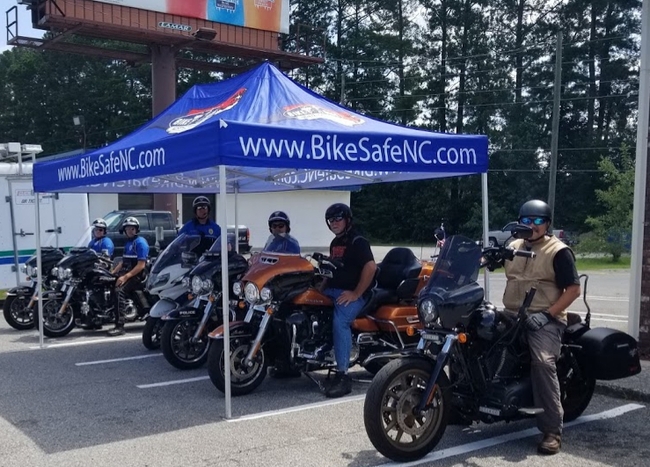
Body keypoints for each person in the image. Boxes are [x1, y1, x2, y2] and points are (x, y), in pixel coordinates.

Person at [502, 199, 581, 455]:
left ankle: (551, 430)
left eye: (538, 221)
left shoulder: (558, 251)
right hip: (512, 314)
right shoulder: (513, 246)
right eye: (526, 220)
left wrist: (547, 315)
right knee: (471, 337)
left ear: (547, 224)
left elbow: (573, 290)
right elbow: (486, 260)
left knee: (543, 362)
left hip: (545, 318)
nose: (532, 225)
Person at [321, 203, 377, 398]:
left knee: (341, 322)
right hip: (333, 290)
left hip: (354, 293)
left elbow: (370, 267)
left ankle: (343, 376)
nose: (334, 223)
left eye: (338, 219)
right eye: (331, 220)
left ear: (347, 219)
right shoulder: (335, 243)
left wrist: (355, 293)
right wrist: (320, 288)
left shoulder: (358, 241)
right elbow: (332, 267)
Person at [107, 217, 150, 336]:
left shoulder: (140, 242)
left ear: (136, 230)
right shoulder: (128, 243)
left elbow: (141, 265)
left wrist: (125, 277)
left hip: (137, 275)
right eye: (127, 229)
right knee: (108, 282)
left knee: (119, 291)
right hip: (127, 272)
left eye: (132, 228)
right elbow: (123, 262)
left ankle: (119, 326)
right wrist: (113, 273)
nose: (130, 231)